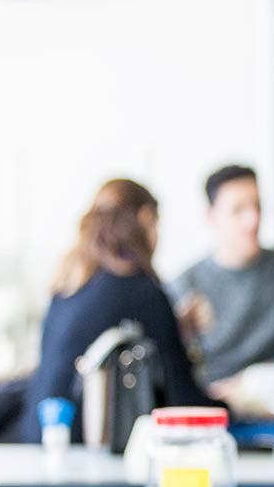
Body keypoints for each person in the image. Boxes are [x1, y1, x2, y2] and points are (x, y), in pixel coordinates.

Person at [19, 179, 222, 443]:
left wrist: (178, 327)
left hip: (40, 439)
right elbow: (181, 398)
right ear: (146, 218)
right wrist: (233, 406)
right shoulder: (141, 290)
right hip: (91, 454)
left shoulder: (69, 282)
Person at [169, 165, 274, 391]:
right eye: (238, 210)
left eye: (257, 206)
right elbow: (178, 368)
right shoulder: (185, 284)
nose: (252, 219)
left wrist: (245, 386)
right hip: (212, 405)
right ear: (212, 217)